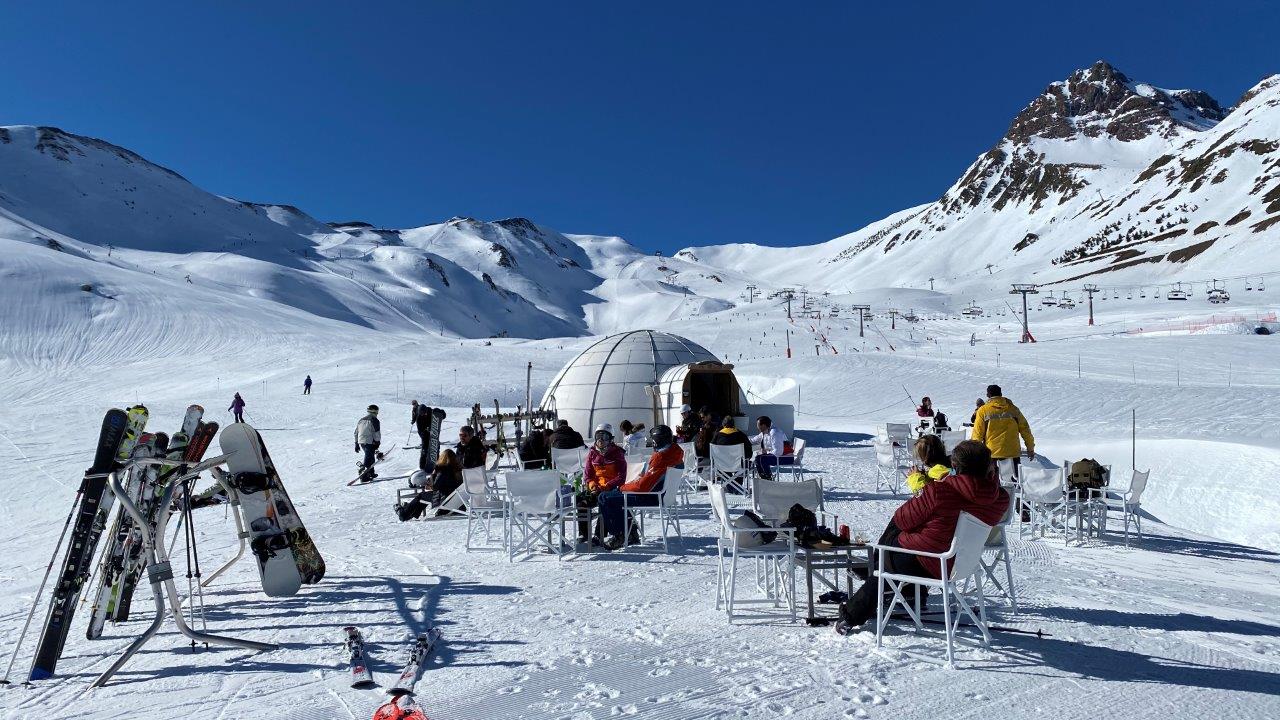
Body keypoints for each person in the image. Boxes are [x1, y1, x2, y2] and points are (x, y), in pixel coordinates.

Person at [836, 440, 1010, 635]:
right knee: (906, 541)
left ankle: (853, 612)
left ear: (955, 465)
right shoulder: (1000, 499)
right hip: (962, 564)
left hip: (928, 563)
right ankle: (904, 590)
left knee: (893, 539)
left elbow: (903, 519)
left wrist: (924, 491)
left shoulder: (940, 491)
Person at [597, 425, 683, 549]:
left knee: (605, 497)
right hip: (666, 495)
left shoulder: (661, 457)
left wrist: (622, 488)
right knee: (616, 496)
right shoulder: (675, 451)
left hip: (653, 496)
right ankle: (630, 533)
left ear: (656, 441)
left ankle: (619, 535)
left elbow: (642, 487)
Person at [970, 384, 1035, 471]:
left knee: (993, 481)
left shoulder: (983, 411)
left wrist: (974, 454)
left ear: (988, 395)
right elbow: (1025, 430)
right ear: (1001, 394)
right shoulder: (1013, 409)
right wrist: (1030, 448)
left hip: (992, 453)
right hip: (1013, 453)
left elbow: (977, 434)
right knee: (1015, 479)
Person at [397, 448, 464, 520]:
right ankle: (409, 512)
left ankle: (404, 514)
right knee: (425, 496)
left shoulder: (443, 470)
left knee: (421, 495)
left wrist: (433, 475)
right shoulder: (459, 470)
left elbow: (435, 487)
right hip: (456, 500)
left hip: (443, 499)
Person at [748, 415, 789, 480]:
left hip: (785, 457)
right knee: (758, 458)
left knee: (760, 458)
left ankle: (767, 479)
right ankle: (765, 478)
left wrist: (766, 452)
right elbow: (755, 440)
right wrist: (744, 441)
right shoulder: (765, 432)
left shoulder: (775, 433)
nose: (757, 427)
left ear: (763, 425)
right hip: (778, 455)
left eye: (758, 425)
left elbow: (778, 452)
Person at [354, 404, 381, 482]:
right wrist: (377, 442)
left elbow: (356, 432)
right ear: (375, 412)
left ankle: (371, 473)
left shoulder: (361, 420)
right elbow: (377, 433)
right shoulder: (374, 420)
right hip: (369, 441)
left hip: (361, 441)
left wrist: (356, 443)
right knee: (368, 456)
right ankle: (364, 475)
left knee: (371, 456)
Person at [410, 401, 434, 471]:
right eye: (422, 414)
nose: (424, 414)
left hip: (431, 428)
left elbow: (439, 413)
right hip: (423, 431)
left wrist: (441, 413)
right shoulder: (419, 417)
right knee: (425, 447)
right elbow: (420, 430)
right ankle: (423, 465)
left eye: (424, 413)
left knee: (432, 444)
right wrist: (413, 421)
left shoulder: (429, 410)